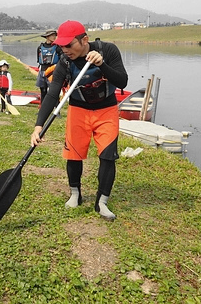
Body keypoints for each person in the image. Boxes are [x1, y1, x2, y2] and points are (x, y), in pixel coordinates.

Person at [30, 20, 128, 221]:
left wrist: (102, 65)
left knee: (108, 156)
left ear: (84, 40)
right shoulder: (65, 62)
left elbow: (122, 81)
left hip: (106, 111)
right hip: (79, 111)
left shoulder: (108, 51)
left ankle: (102, 201)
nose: (65, 50)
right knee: (73, 155)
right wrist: (38, 125)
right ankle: (75, 193)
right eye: (61, 45)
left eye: (69, 45)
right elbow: (52, 94)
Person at [36, 29, 62, 100]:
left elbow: (62, 59)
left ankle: (57, 109)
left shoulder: (58, 47)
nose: (54, 37)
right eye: (52, 35)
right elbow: (38, 60)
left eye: (55, 35)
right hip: (42, 71)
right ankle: (42, 108)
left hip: (53, 71)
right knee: (43, 91)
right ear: (47, 37)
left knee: (53, 91)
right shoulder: (40, 48)